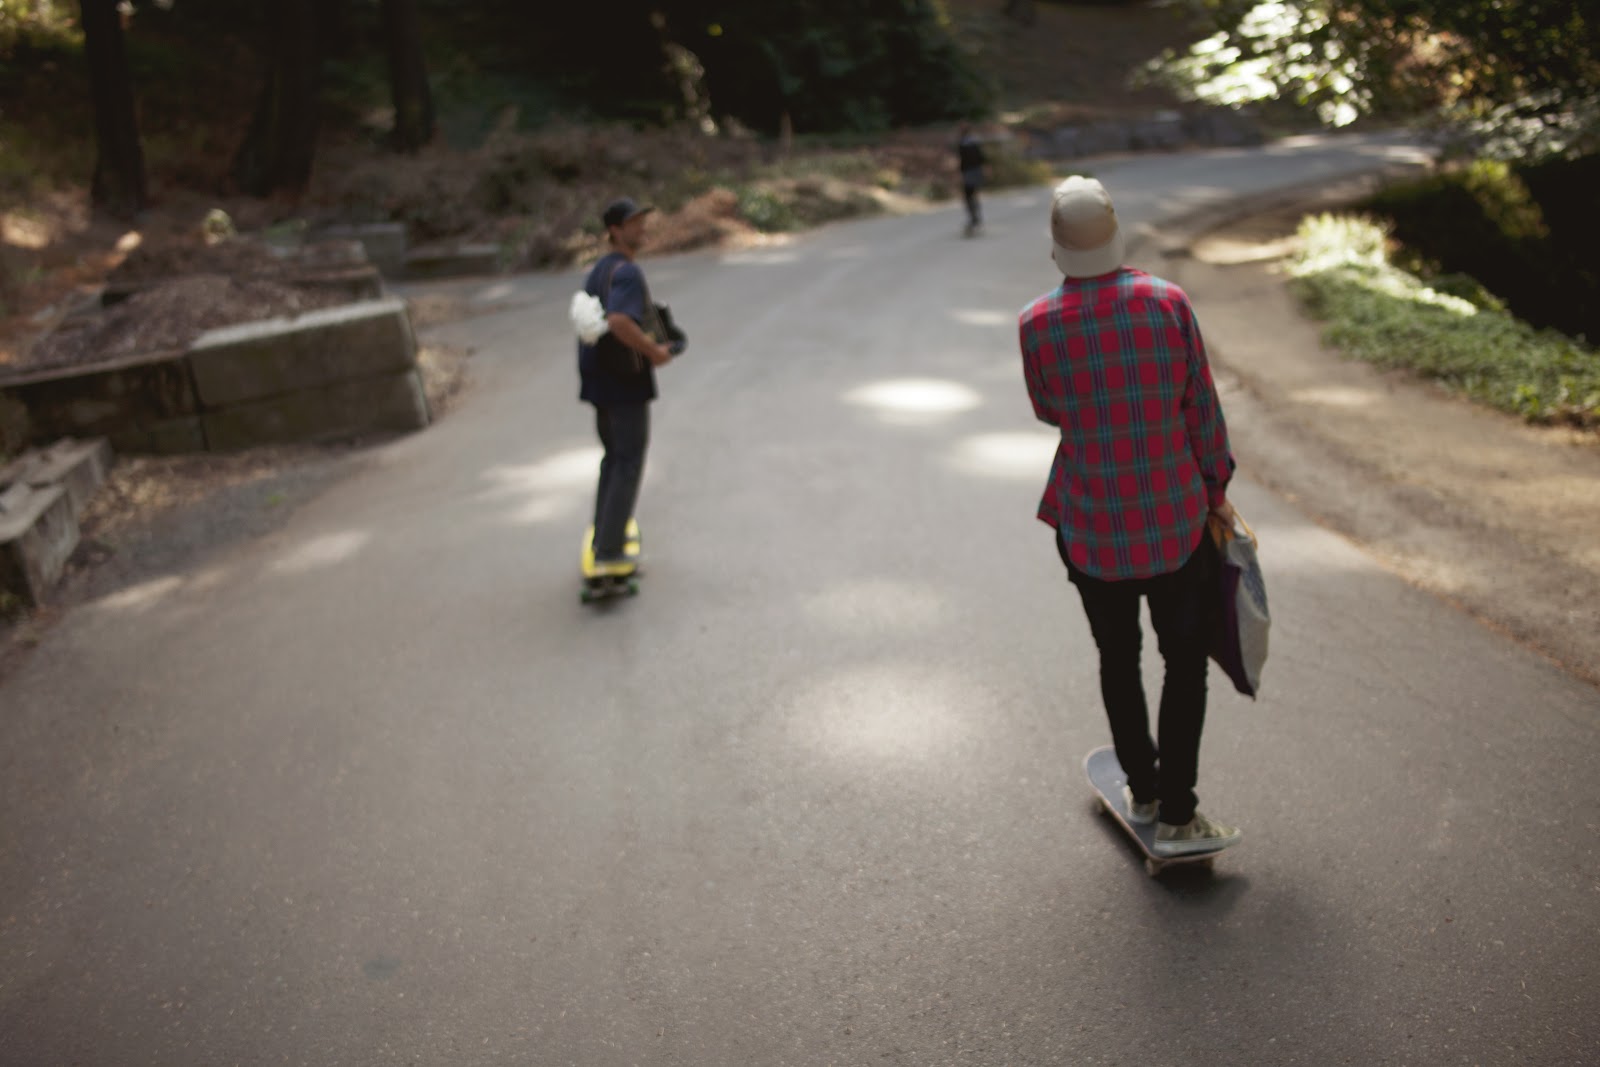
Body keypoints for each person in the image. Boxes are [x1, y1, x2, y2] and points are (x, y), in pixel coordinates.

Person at [1017, 176, 1242, 856]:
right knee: (1184, 664)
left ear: (1057, 248)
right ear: (1116, 235)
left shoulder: (1036, 323)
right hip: (1176, 520)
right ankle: (1178, 809)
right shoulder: (1168, 303)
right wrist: (1216, 488)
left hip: (1089, 525)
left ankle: (1140, 785)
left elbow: (1048, 410)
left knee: (1118, 659)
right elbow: (1201, 408)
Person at [577, 197, 677, 575]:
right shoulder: (628, 273)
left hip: (601, 384)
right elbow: (619, 320)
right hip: (624, 385)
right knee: (629, 460)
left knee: (613, 458)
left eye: (643, 220)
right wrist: (654, 351)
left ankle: (604, 532)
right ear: (615, 231)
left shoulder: (599, 271)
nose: (642, 228)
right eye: (634, 223)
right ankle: (609, 550)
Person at [955, 124, 986, 236]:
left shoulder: (962, 144)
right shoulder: (974, 142)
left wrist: (960, 173)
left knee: (968, 196)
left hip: (968, 172)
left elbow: (962, 161)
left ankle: (974, 219)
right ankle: (976, 218)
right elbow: (982, 157)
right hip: (976, 171)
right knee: (973, 194)